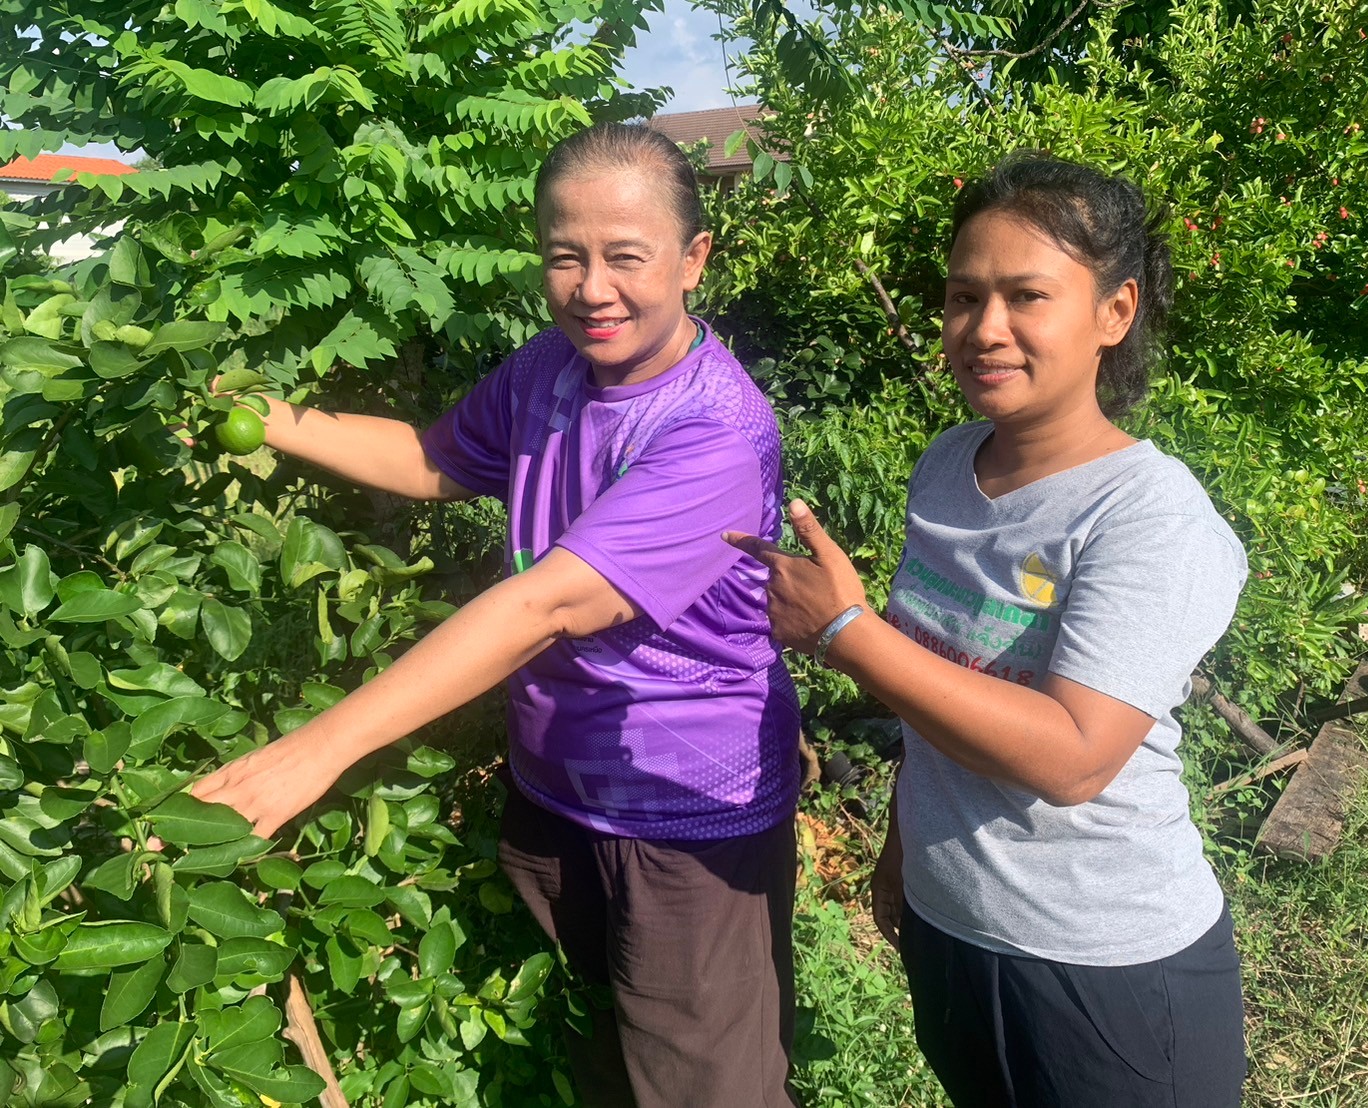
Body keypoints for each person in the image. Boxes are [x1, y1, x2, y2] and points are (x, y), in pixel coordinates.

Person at [193, 122, 802, 1108]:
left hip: (683, 811)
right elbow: (434, 460)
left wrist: (318, 749)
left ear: (694, 260)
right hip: (561, 786)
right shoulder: (546, 371)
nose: (591, 286)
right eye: (566, 256)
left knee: (705, 1085)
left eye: (624, 257)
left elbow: (546, 602)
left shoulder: (714, 434)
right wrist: (271, 418)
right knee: (611, 1045)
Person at [726, 152, 1249, 1107]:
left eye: (1025, 296)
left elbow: (1075, 758)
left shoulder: (1147, 518)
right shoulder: (947, 463)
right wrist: (902, 843)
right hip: (954, 927)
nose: (983, 329)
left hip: (1103, 967)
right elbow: (938, 683)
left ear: (1114, 312)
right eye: (963, 296)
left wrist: (843, 628)